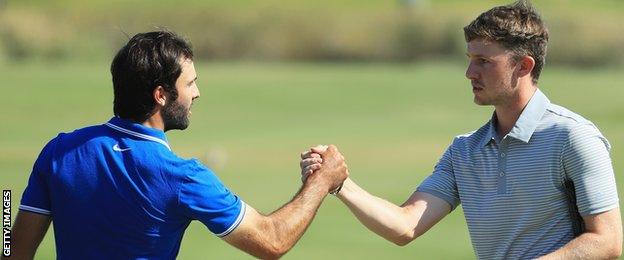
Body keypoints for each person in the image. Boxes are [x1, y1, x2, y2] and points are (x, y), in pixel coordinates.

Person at [301, 1, 622, 258]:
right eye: (469, 59)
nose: (469, 72)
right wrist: (340, 183)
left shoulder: (573, 137)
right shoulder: (465, 151)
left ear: (524, 66)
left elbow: (608, 240)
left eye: (484, 61)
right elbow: (405, 226)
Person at [8, 30, 348, 260]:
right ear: (161, 95)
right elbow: (272, 240)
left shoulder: (59, 151)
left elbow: (13, 251)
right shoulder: (182, 178)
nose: (197, 93)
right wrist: (321, 181)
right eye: (190, 84)